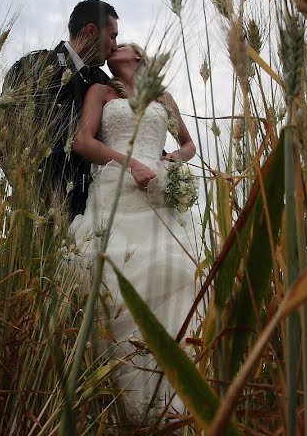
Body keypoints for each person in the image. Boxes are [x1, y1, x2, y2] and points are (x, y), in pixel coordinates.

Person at [69, 43, 201, 427]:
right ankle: (116, 406)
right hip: (115, 193)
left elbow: (188, 144)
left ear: (138, 56)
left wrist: (169, 162)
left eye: (121, 44)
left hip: (157, 199)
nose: (114, 46)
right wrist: (132, 164)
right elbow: (83, 141)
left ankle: (169, 405)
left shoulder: (163, 97)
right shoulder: (102, 92)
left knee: (172, 278)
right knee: (114, 282)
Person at [0, 0, 118, 218]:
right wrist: (27, 186)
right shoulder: (34, 66)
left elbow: (123, 128)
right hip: (37, 210)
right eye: (112, 36)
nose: (114, 46)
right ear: (91, 31)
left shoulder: (103, 82)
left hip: (93, 211)